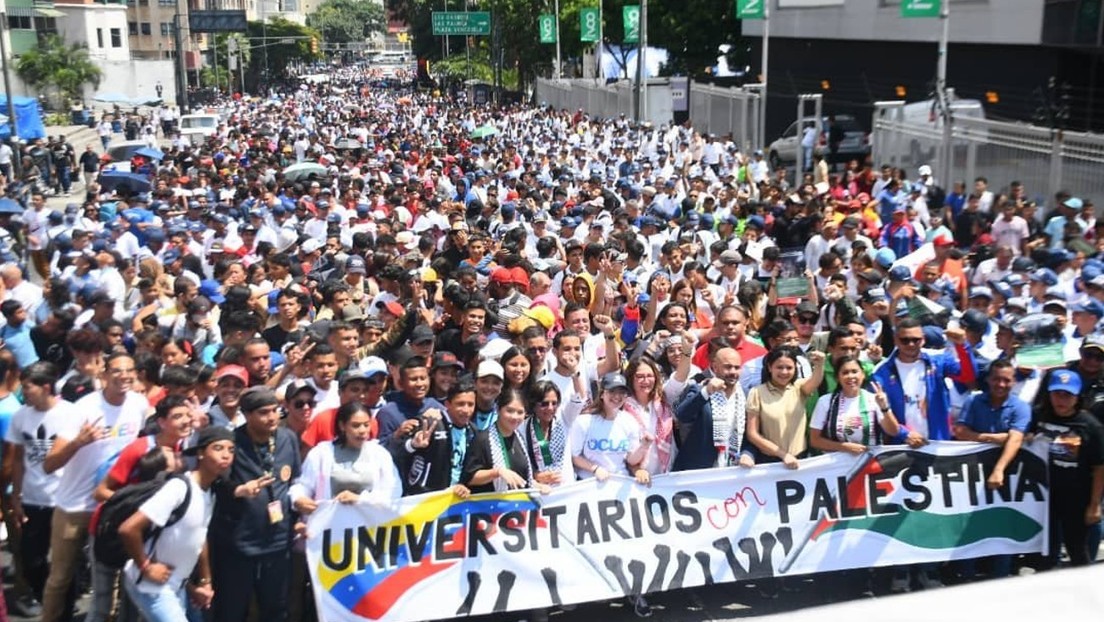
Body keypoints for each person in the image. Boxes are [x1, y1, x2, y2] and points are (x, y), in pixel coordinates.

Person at [41, 353, 148, 622]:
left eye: (129, 370)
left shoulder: (138, 404)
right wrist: (79, 441)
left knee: (110, 580)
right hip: (75, 507)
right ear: (103, 375)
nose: (124, 376)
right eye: (117, 371)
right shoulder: (84, 409)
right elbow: (49, 464)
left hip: (112, 506)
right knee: (60, 577)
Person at [117, 426, 236, 622]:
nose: (226, 455)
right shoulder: (179, 488)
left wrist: (204, 582)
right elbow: (128, 529)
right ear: (200, 453)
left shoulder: (210, 492)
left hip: (178, 585)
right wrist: (146, 567)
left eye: (231, 450)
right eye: (218, 448)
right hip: (150, 586)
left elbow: (200, 537)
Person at [209, 387, 301, 622]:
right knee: (232, 609)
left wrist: (300, 516)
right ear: (247, 415)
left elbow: (296, 481)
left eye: (275, 411)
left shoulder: (287, 438)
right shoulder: (231, 443)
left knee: (276, 608)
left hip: (278, 541)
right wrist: (238, 490)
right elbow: (214, 482)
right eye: (263, 412)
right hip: (239, 544)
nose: (272, 417)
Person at [952, 358, 1031, 580]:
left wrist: (999, 470)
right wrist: (995, 438)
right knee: (970, 524)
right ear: (988, 379)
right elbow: (960, 431)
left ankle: (1000, 577)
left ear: (1014, 381)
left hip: (1007, 476)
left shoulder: (1021, 407)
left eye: (1006, 380)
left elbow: (1015, 440)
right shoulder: (974, 401)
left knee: (1002, 526)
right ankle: (966, 576)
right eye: (996, 379)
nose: (1001, 384)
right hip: (972, 473)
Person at [5, 362, 72, 617]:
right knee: (32, 559)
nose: (24, 393)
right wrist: (16, 496)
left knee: (65, 563)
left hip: (64, 500)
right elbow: (19, 459)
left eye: (28, 388)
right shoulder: (21, 416)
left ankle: (63, 609)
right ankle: (48, 597)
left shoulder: (70, 413)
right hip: (34, 500)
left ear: (46, 387)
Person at [1030, 370, 1104, 569]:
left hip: (1077, 499)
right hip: (1045, 497)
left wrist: (1095, 504)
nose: (1061, 400)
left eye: (1067, 395)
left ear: (1077, 396)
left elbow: (1100, 468)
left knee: (1077, 551)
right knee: (1046, 551)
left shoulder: (1090, 426)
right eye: (1057, 393)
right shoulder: (1038, 415)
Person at [291, 401, 401, 515]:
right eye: (355, 425)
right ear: (342, 426)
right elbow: (303, 485)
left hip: (369, 524)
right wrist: (299, 498)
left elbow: (393, 490)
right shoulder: (321, 454)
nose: (362, 431)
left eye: (366, 425)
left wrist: (360, 499)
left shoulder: (379, 454)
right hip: (330, 524)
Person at [745, 348, 825, 468]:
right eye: (779, 367)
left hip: (800, 459)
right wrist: (782, 455)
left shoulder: (799, 388)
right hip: (769, 461)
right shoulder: (757, 392)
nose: (784, 372)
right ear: (769, 367)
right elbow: (752, 434)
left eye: (789, 368)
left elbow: (815, 381)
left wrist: (820, 364)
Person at [809, 355, 898, 454]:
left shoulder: (874, 399)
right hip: (837, 463)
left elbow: (893, 431)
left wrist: (884, 408)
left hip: (869, 462)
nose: (851, 376)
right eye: (845, 373)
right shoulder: (825, 401)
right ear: (837, 377)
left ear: (863, 375)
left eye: (854, 372)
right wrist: (844, 447)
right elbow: (815, 440)